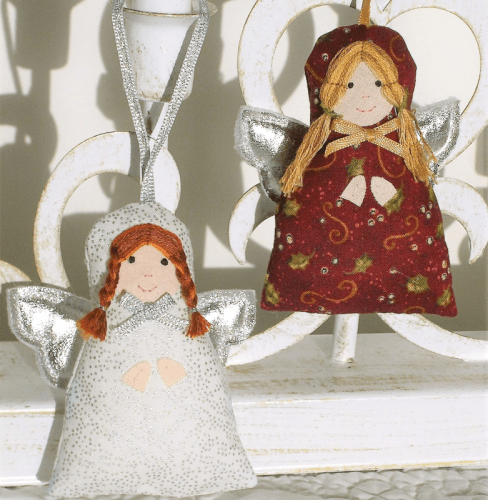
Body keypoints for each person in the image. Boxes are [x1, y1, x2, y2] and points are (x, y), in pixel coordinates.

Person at [48, 203, 257, 499]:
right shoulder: (107, 326)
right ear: (115, 268)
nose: (147, 274)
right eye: (132, 260)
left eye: (162, 262)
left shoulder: (188, 325)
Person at [262, 25, 456, 317]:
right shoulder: (321, 144)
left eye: (377, 84)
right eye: (350, 86)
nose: (365, 95)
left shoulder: (402, 143)